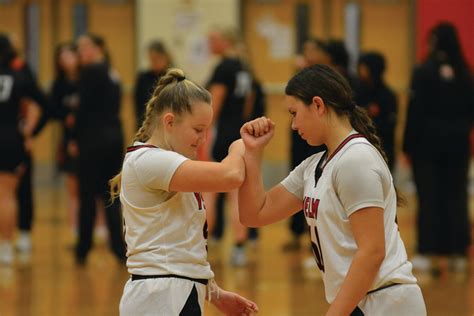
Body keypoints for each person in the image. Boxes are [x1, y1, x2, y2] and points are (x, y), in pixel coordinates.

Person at [238, 64, 426, 315]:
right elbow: (255, 214)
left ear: (318, 105)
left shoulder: (356, 159)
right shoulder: (315, 165)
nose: (293, 125)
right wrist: (253, 153)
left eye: (294, 113)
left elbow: (372, 252)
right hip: (359, 302)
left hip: (384, 302)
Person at [109, 68, 258, 316]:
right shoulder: (150, 160)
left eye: (208, 130)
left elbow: (180, 244)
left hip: (172, 292)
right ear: (169, 122)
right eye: (198, 129)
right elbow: (230, 176)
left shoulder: (165, 162)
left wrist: (215, 294)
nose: (203, 138)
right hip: (160, 297)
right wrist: (240, 143)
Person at [403, 22, 473, 273]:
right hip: (458, 146)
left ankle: (427, 249)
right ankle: (457, 251)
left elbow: (415, 111)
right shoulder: (465, 73)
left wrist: (407, 145)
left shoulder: (423, 71)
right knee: (456, 196)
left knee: (428, 197)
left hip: (427, 147)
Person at [74, 33, 126, 265]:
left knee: (87, 195)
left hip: (93, 140)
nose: (80, 53)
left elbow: (82, 109)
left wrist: (73, 136)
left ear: (98, 48)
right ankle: (118, 248)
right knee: (110, 196)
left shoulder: (91, 71)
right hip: (114, 138)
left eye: (85, 47)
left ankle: (83, 249)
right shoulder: (112, 72)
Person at [206, 27, 253, 265]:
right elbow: (248, 103)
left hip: (222, 137)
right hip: (239, 136)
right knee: (236, 194)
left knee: (210, 193)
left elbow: (213, 105)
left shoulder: (224, 67)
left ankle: (199, 246)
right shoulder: (244, 66)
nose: (208, 43)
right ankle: (239, 247)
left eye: (212, 38)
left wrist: (201, 133)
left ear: (225, 41)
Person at [0, 33, 47, 265]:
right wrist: (29, 129)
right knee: (6, 195)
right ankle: (6, 247)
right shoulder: (18, 76)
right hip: (10, 137)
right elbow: (43, 101)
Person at [284, 38, 328, 251]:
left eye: (313, 50)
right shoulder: (298, 76)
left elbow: (373, 250)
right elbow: (257, 212)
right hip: (304, 145)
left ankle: (315, 236)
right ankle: (296, 233)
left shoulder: (326, 78)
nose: (309, 54)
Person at [49, 42, 80, 237]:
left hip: (87, 138)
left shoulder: (86, 80)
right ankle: (74, 229)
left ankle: (101, 229)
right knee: (72, 186)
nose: (65, 61)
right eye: (61, 58)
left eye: (69, 56)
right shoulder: (59, 85)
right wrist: (65, 117)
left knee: (96, 187)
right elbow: (52, 110)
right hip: (68, 140)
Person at [356, 51, 397, 170]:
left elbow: (390, 126)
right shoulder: (356, 91)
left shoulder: (387, 96)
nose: (361, 71)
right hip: (358, 148)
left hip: (382, 149)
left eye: (364, 67)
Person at [134, 40, 172, 127]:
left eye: (156, 58)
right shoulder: (143, 78)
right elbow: (138, 106)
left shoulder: (173, 76)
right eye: (151, 59)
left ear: (164, 57)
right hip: (147, 123)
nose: (154, 63)